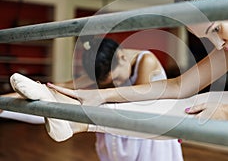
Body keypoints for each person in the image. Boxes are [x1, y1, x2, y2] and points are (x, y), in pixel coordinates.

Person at [7, 0, 228, 160]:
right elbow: (182, 85)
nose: (219, 43)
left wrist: (227, 113)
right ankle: (76, 119)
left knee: (214, 109)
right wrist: (101, 94)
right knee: (200, 105)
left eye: (215, 29)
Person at [4, 37, 184, 161]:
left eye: (118, 79)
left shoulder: (147, 60)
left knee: (79, 103)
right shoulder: (101, 68)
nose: (116, 84)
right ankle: (4, 107)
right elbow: (64, 85)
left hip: (144, 129)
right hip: (117, 127)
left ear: (122, 57)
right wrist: (39, 90)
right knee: (54, 95)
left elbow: (138, 101)